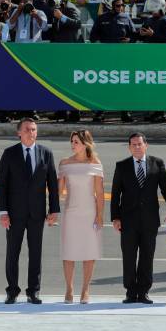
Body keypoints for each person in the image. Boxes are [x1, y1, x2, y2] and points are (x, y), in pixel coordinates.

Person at [0, 118, 60, 304]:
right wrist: (3, 212)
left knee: (36, 253)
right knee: (12, 253)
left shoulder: (46, 153)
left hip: (37, 214)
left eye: (33, 130)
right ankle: (12, 291)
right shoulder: (9, 153)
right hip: (14, 214)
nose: (31, 133)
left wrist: (54, 209)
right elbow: (2, 184)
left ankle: (34, 291)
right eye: (27, 130)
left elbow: (53, 184)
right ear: (19, 133)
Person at [110, 132, 166, 304]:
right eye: (133, 144)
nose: (137, 147)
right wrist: (115, 217)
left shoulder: (157, 163)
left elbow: (165, 189)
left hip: (150, 219)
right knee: (129, 256)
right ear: (129, 147)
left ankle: (144, 291)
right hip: (128, 220)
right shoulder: (122, 166)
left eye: (140, 144)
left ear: (146, 145)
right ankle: (131, 292)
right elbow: (116, 193)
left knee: (147, 256)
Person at [58, 130, 104, 304]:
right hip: (71, 212)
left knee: (89, 251)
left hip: (89, 212)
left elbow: (99, 193)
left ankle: (85, 289)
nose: (73, 144)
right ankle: (69, 289)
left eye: (76, 141)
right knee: (68, 251)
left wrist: (99, 215)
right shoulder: (64, 163)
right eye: (72, 141)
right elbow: (58, 192)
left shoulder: (95, 163)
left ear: (85, 143)